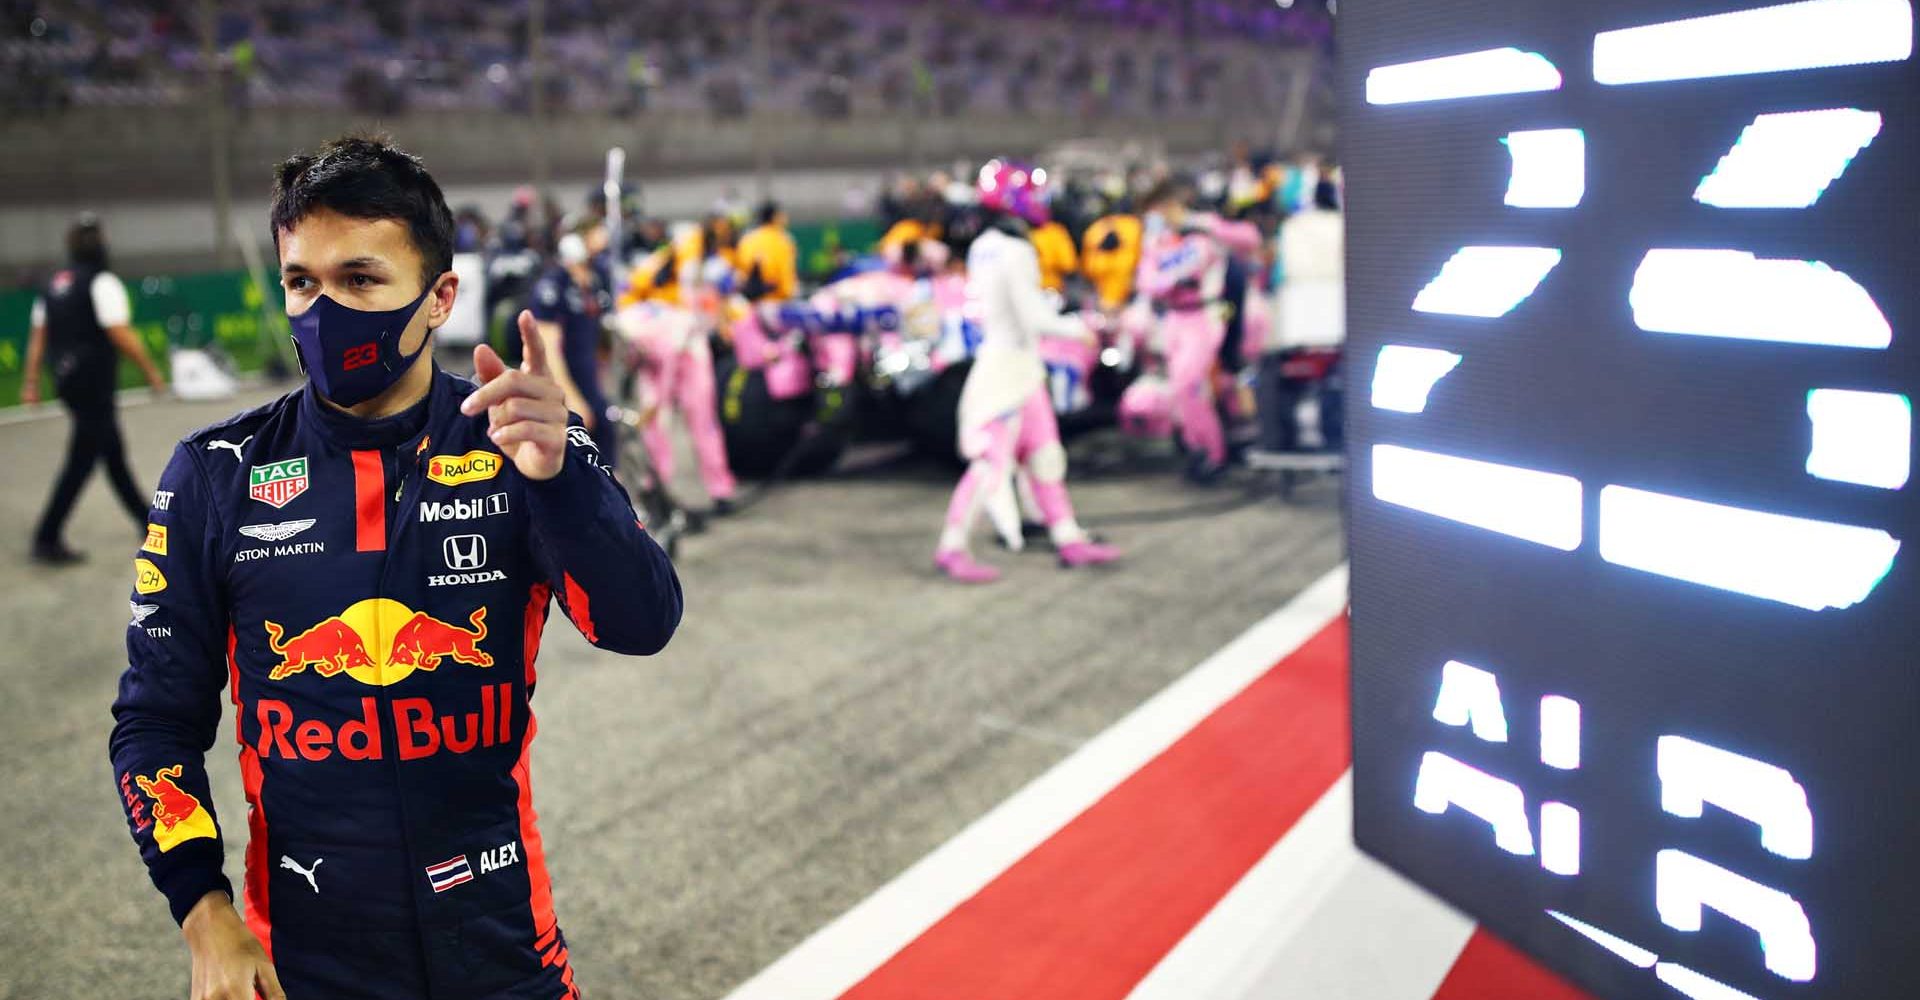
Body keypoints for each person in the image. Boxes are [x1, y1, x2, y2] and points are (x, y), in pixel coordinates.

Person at [108, 135, 681, 1000]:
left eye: (360, 280)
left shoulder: (517, 439)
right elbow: (154, 720)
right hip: (304, 956)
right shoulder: (216, 472)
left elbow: (642, 624)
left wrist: (565, 483)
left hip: (499, 940)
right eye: (303, 281)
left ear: (440, 296)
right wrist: (203, 913)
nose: (323, 310)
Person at [933, 160, 1120, 583]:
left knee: (1045, 455)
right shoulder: (1014, 250)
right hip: (1006, 369)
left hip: (1018, 364)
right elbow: (1034, 316)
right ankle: (952, 545)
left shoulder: (985, 245)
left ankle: (1068, 536)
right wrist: (1082, 329)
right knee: (990, 464)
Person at [23, 216, 168, 564]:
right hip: (93, 383)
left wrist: (31, 382)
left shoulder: (54, 284)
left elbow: (38, 338)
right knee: (82, 460)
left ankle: (147, 521)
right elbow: (119, 333)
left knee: (112, 453)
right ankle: (46, 536)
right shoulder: (102, 283)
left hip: (67, 381)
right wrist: (151, 371)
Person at [1135, 177, 1263, 482]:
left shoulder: (1203, 228)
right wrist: (1172, 280)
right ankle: (1196, 448)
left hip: (1204, 316)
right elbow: (1146, 281)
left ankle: (1214, 452)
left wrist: (1203, 225)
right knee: (1180, 392)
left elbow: (1250, 239)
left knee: (1188, 385)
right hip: (1173, 320)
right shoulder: (1157, 241)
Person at [529, 230, 619, 462]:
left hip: (590, 380)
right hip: (565, 383)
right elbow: (548, 349)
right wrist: (570, 397)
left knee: (606, 440)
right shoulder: (553, 286)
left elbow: (600, 341)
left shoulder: (594, 283)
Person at [734, 200, 799, 304]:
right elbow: (786, 278)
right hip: (776, 302)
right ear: (774, 217)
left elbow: (739, 273)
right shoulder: (783, 240)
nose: (785, 218)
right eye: (782, 214)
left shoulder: (747, 239)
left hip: (748, 302)